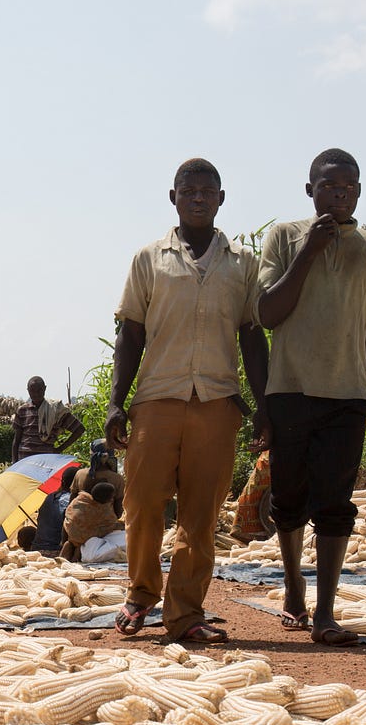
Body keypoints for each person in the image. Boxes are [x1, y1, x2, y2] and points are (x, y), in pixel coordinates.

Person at [106, 157, 268, 645]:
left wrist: (265, 403)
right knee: (142, 505)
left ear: (221, 199)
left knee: (201, 514)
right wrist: (117, 401)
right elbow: (130, 332)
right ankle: (139, 595)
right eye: (188, 191)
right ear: (173, 197)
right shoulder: (149, 259)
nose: (198, 198)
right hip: (157, 397)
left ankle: (186, 613)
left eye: (207, 191)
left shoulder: (242, 264)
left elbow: (252, 336)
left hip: (217, 401)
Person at [257, 148, 366, 646]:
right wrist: (309, 251)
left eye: (350, 187)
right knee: (290, 497)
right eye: (329, 186)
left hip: (348, 395)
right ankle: (294, 585)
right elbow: (268, 312)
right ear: (310, 189)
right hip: (290, 390)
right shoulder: (285, 237)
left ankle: (326, 612)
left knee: (335, 504)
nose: (340, 194)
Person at [11, 377, 85, 462]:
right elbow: (16, 440)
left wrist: (59, 449)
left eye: (39, 390)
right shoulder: (22, 410)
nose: (36, 393)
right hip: (24, 461)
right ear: (28, 390)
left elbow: (79, 429)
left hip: (46, 462)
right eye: (32, 390)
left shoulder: (55, 410)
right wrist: (14, 463)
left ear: (45, 389)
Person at [62, 482, 126, 563]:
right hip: (85, 539)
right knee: (123, 537)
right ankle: (78, 552)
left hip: (71, 536)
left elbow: (68, 516)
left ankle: (73, 549)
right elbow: (111, 526)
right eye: (111, 497)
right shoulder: (102, 510)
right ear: (105, 497)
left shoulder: (80, 500)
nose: (112, 499)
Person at [69, 439, 125, 517]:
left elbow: (72, 502)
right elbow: (118, 510)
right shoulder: (117, 479)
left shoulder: (80, 474)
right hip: (105, 524)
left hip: (81, 522)